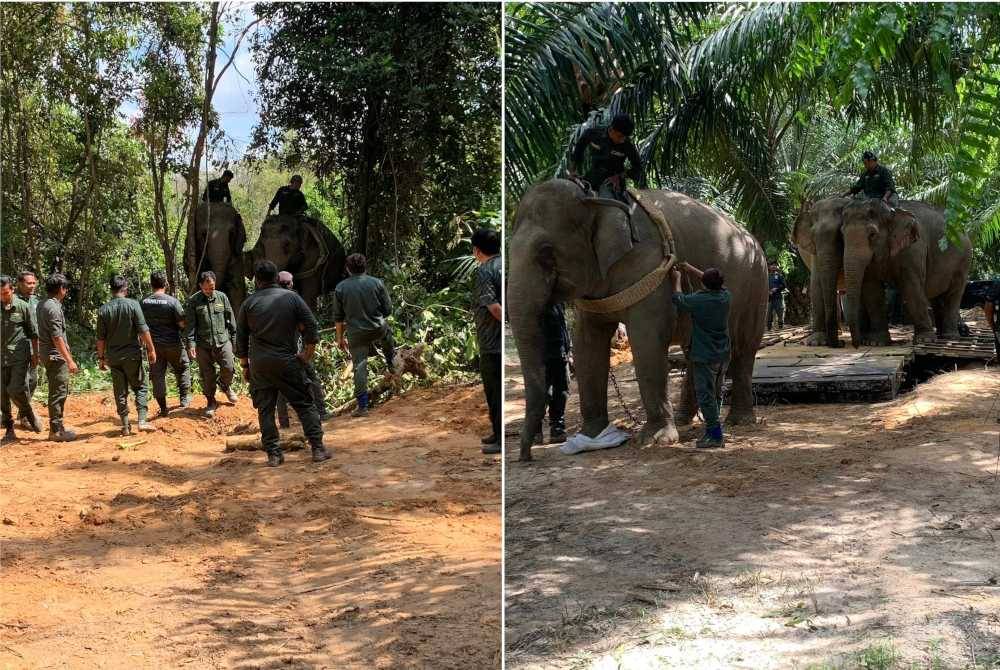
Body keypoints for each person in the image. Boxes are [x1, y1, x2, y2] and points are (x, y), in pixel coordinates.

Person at [236, 260, 329, 466]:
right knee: (305, 404)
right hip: (288, 361)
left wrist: (245, 366)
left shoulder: (248, 304)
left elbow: (240, 338)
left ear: (257, 280)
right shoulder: (292, 298)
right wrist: (307, 354)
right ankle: (318, 448)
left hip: (260, 365)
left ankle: (274, 454)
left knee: (265, 411)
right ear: (276, 278)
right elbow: (312, 326)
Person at [670, 262, 731, 449]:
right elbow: (712, 282)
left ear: (704, 284)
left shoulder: (699, 301)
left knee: (705, 396)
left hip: (705, 355)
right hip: (722, 354)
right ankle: (714, 427)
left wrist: (678, 279)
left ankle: (715, 435)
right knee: (716, 393)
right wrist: (691, 268)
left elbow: (678, 299)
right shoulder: (725, 296)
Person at [333, 254, 396, 418]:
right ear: (365, 267)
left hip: (357, 334)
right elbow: (388, 310)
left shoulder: (340, 288)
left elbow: (338, 318)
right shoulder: (376, 283)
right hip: (377, 328)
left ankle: (363, 407)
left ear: (348, 269)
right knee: (387, 334)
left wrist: (339, 339)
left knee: (360, 366)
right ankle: (391, 362)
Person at [96, 276, 158, 436]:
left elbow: (100, 339)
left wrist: (101, 358)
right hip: (132, 355)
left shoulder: (103, 310)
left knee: (120, 391)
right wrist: (151, 349)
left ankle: (124, 426)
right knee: (141, 387)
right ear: (125, 289)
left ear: (111, 290)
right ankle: (142, 421)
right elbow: (143, 330)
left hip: (114, 357)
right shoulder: (133, 305)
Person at [275, 271, 327, 427]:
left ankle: (284, 422)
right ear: (291, 284)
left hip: (276, 353)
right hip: (296, 352)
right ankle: (322, 412)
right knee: (311, 379)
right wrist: (307, 350)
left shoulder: (270, 300)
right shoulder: (295, 300)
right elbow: (307, 325)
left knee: (280, 387)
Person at [185, 271, 238, 418]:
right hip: (203, 344)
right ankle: (211, 401)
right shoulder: (194, 301)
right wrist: (191, 344)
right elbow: (190, 326)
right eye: (206, 288)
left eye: (212, 287)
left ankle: (224, 385)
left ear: (215, 284)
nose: (209, 291)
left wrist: (234, 341)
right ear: (201, 286)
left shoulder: (222, 297)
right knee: (207, 375)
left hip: (223, 341)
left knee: (228, 367)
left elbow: (231, 319)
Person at [141, 271, 193, 416]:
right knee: (182, 368)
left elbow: (140, 325)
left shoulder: (143, 302)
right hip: (173, 344)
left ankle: (163, 408)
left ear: (151, 284)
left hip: (153, 346)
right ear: (166, 284)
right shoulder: (172, 302)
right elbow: (182, 324)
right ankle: (184, 400)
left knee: (157, 375)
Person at [36, 273, 80, 441]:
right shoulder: (53, 308)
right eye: (66, 288)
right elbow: (57, 337)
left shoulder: (42, 304)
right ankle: (56, 431)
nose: (66, 291)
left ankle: (58, 427)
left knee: (56, 391)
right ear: (61, 289)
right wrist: (69, 360)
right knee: (58, 392)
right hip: (55, 356)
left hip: (47, 354)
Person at [1, 276, 42, 445]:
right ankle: (10, 429)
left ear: (12, 290)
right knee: (2, 394)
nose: (3, 296)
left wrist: (35, 355)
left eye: (5, 293)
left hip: (19, 356)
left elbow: (33, 333)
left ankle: (28, 412)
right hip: (1, 357)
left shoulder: (23, 307)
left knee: (16, 388)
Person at [568, 113, 647, 200]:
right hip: (592, 177)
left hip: (612, 182)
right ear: (612, 129)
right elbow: (578, 149)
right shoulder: (594, 133)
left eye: (624, 137)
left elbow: (638, 168)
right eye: (619, 136)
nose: (622, 140)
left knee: (607, 203)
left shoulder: (627, 145)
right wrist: (572, 171)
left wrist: (619, 177)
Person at [472, 228, 502, 454]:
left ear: (477, 250)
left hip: (492, 343)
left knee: (494, 391)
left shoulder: (485, 271)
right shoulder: (503, 266)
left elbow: (493, 307)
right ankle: (496, 433)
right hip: (497, 341)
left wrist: (505, 321)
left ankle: (500, 439)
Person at [541, 301, 571, 444]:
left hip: (560, 352)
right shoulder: (536, 301)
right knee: (543, 392)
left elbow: (563, 327)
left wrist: (568, 351)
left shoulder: (558, 302)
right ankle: (535, 428)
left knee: (562, 391)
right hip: (542, 354)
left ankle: (557, 427)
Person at [14, 271, 39, 430]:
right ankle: (25, 415)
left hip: (34, 346)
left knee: (33, 380)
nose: (32, 286)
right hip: (17, 349)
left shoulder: (36, 301)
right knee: (21, 383)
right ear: (19, 284)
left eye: (33, 283)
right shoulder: (12, 301)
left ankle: (21, 410)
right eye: (28, 283)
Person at [766, 262, 787, 330]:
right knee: (768, 314)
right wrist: (768, 291)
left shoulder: (780, 276)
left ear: (777, 267)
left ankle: (781, 327)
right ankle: (769, 328)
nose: (773, 266)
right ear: (769, 267)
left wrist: (777, 289)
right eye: (772, 265)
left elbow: (784, 285)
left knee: (780, 313)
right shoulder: (766, 276)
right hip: (769, 299)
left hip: (778, 298)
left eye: (775, 265)